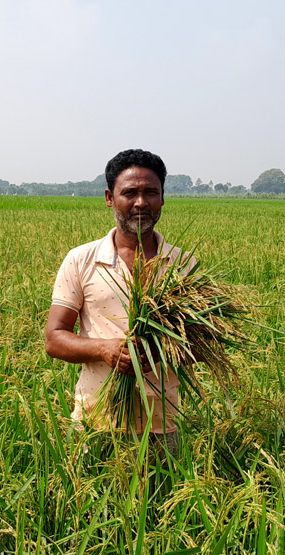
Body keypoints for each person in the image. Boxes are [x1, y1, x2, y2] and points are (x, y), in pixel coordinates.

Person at [44, 149, 188, 464]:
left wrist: (162, 352)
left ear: (163, 198)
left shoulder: (182, 265)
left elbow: (202, 344)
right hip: (95, 422)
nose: (141, 202)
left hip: (161, 423)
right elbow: (54, 339)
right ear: (110, 198)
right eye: (129, 193)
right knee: (89, 505)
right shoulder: (81, 260)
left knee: (161, 508)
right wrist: (105, 350)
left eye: (151, 192)